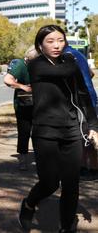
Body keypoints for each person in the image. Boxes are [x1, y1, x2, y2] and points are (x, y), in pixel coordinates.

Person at [18, 25, 98, 233]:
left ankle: (66, 227)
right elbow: (67, 70)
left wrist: (93, 125)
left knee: (72, 184)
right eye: (50, 41)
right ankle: (28, 204)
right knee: (50, 182)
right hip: (45, 132)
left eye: (61, 40)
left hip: (72, 130)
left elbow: (83, 95)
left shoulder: (70, 62)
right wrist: (77, 62)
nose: (57, 45)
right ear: (40, 45)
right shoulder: (36, 65)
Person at [63, 44, 98, 179]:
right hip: (89, 97)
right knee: (87, 134)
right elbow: (91, 73)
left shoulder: (66, 56)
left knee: (86, 136)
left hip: (82, 100)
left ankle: (90, 169)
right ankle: (86, 168)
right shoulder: (78, 54)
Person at [4, 46, 39, 170]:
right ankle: (23, 160)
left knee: (39, 132)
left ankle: (42, 158)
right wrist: (23, 87)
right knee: (24, 132)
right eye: (30, 62)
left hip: (40, 105)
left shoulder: (42, 64)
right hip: (23, 105)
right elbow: (7, 80)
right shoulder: (20, 64)